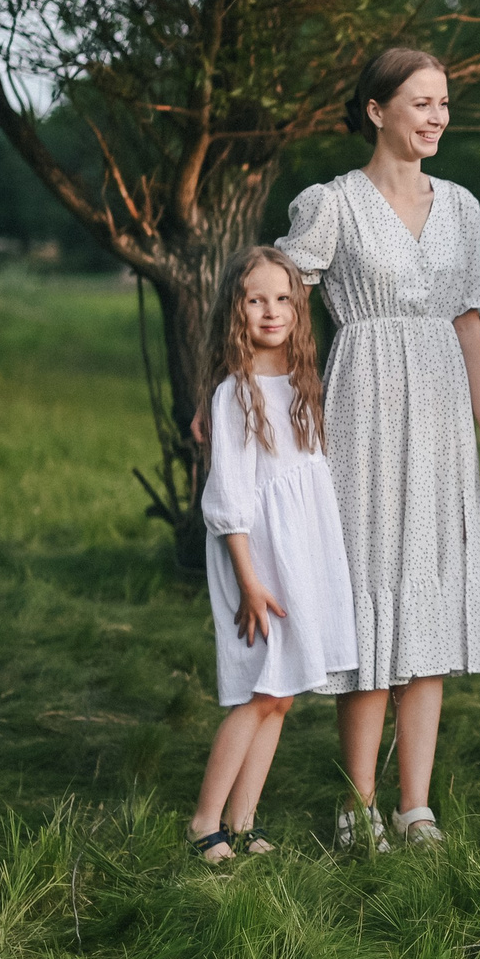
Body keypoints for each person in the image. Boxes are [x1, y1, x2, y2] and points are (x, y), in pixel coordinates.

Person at [276, 47, 480, 849]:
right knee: (371, 593)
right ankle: (358, 804)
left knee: (431, 599)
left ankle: (415, 805)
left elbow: (467, 323)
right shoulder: (333, 203)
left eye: (445, 104)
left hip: (444, 414)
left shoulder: (463, 207)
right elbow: (280, 302)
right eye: (421, 103)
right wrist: (271, 402)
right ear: (377, 110)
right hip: (365, 407)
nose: (437, 117)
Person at [188, 247, 358, 863]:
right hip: (254, 558)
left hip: (299, 556)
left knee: (282, 694)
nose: (271, 310)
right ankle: (204, 820)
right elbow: (229, 496)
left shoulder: (304, 384)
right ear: (237, 309)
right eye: (256, 299)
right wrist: (250, 581)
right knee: (258, 691)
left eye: (283, 298)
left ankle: (243, 820)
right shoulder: (235, 395)